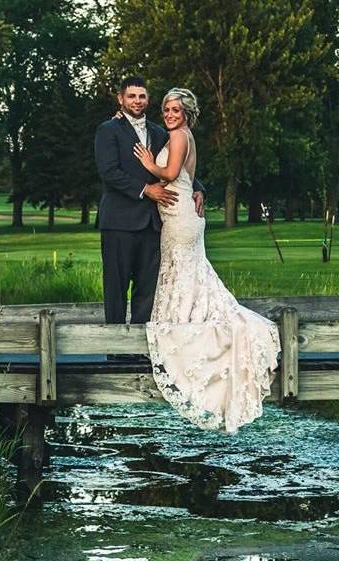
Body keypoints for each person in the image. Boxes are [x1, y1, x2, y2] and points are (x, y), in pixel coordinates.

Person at [133, 87, 280, 432]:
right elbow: (184, 176)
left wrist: (147, 163)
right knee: (187, 271)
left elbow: (169, 174)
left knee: (185, 270)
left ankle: (187, 324)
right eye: (166, 109)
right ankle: (185, 319)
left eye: (175, 109)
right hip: (179, 215)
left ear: (186, 113)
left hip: (181, 218)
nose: (169, 114)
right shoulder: (180, 135)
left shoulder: (180, 136)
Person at [94, 76, 205, 325]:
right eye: (131, 96)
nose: (137, 100)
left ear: (148, 99)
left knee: (148, 290)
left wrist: (199, 190)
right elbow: (109, 172)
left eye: (141, 96)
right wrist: (146, 189)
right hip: (119, 222)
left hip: (154, 224)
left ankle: (140, 347)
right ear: (121, 98)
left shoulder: (159, 131)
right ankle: (115, 348)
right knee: (116, 287)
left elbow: (177, 167)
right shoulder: (108, 130)